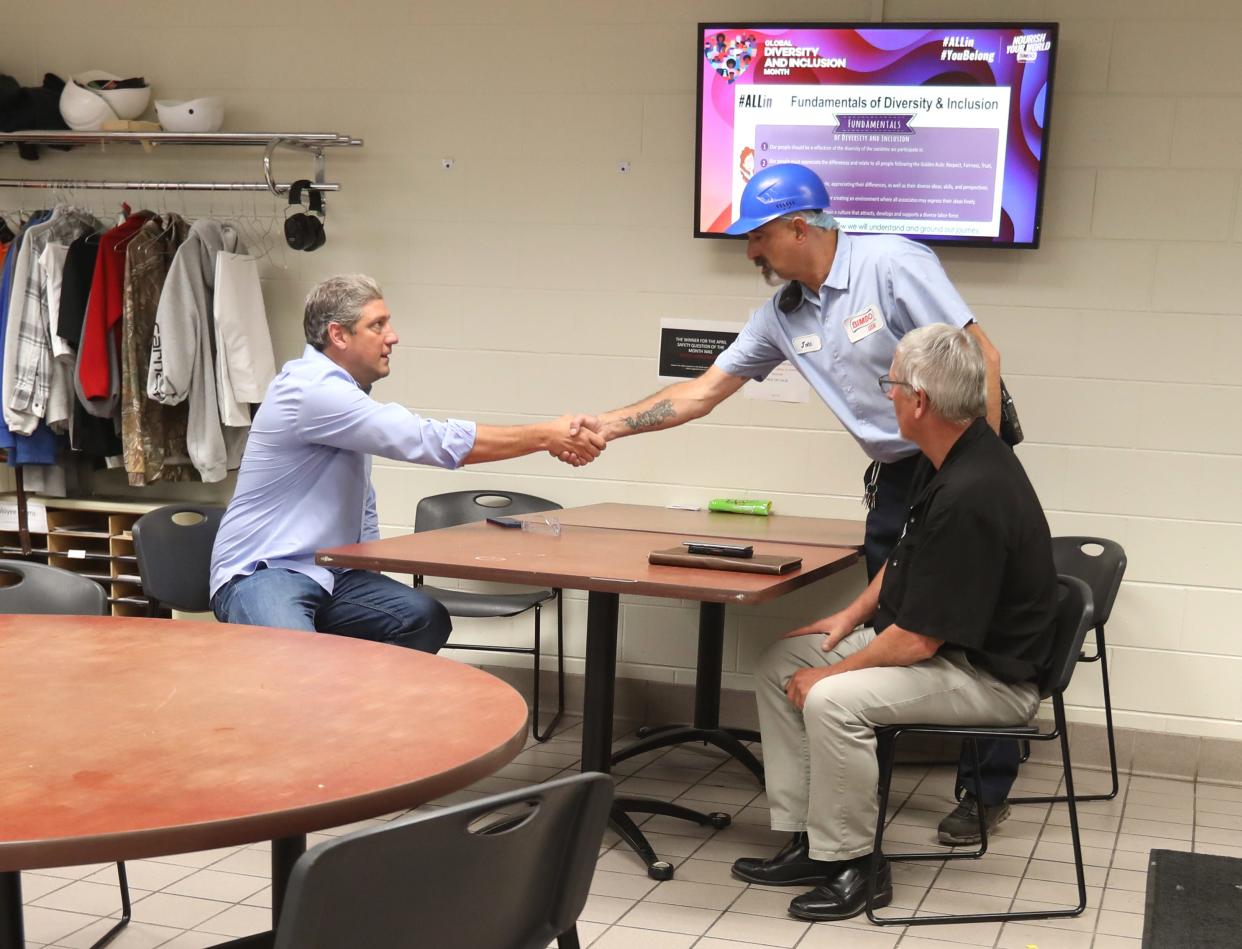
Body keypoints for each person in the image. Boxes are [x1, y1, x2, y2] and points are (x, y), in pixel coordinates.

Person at [568, 162, 1019, 839]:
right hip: (897, 477)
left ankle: (984, 789)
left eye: (758, 238)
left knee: (970, 621)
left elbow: (981, 357)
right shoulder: (783, 314)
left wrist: (973, 470)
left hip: (961, 463)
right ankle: (863, 785)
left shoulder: (891, 265)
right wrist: (607, 424)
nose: (751, 253)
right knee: (901, 623)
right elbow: (700, 392)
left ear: (799, 227)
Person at [727, 324, 1056, 921]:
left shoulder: (973, 491)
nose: (888, 395)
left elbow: (917, 640)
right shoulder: (950, 452)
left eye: (892, 384)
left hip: (991, 679)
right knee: (783, 662)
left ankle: (858, 866)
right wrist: (846, 617)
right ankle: (812, 841)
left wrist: (833, 675)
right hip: (946, 651)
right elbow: (904, 553)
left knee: (833, 700)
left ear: (921, 401)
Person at [210, 273, 605, 652]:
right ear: (338, 335)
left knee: (421, 617)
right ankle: (315, 709)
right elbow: (427, 440)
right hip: (263, 573)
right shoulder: (312, 392)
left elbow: (360, 499)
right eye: (377, 325)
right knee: (295, 662)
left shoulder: (345, 395)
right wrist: (545, 436)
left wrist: (368, 572)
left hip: (331, 574)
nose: (392, 337)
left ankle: (354, 710)